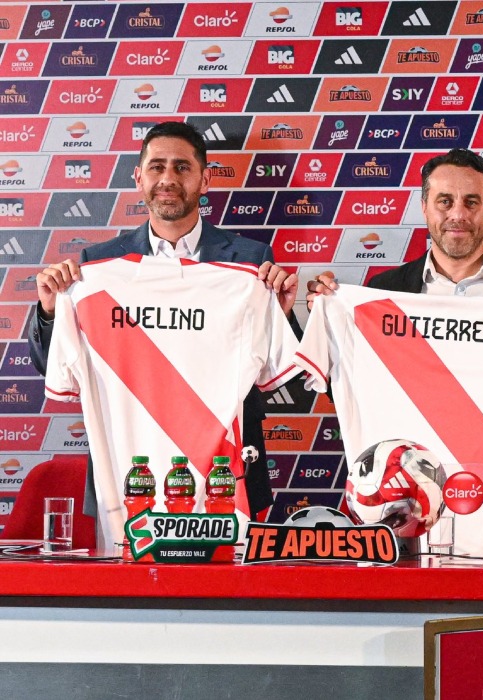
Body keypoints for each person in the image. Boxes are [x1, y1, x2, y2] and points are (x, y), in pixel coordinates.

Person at [28, 120, 298, 520]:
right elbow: (53, 364)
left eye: (182, 167)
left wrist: (284, 313)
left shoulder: (250, 261)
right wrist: (52, 311)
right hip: (127, 469)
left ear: (205, 180)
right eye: (157, 167)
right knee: (130, 583)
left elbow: (279, 375)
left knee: (230, 582)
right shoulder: (95, 267)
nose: (168, 178)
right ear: (139, 178)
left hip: (226, 470)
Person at [306, 148, 483, 489]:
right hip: (409, 490)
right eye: (444, 201)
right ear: (424, 206)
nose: (458, 214)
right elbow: (355, 387)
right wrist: (331, 320)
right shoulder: (385, 292)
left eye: (471, 202)